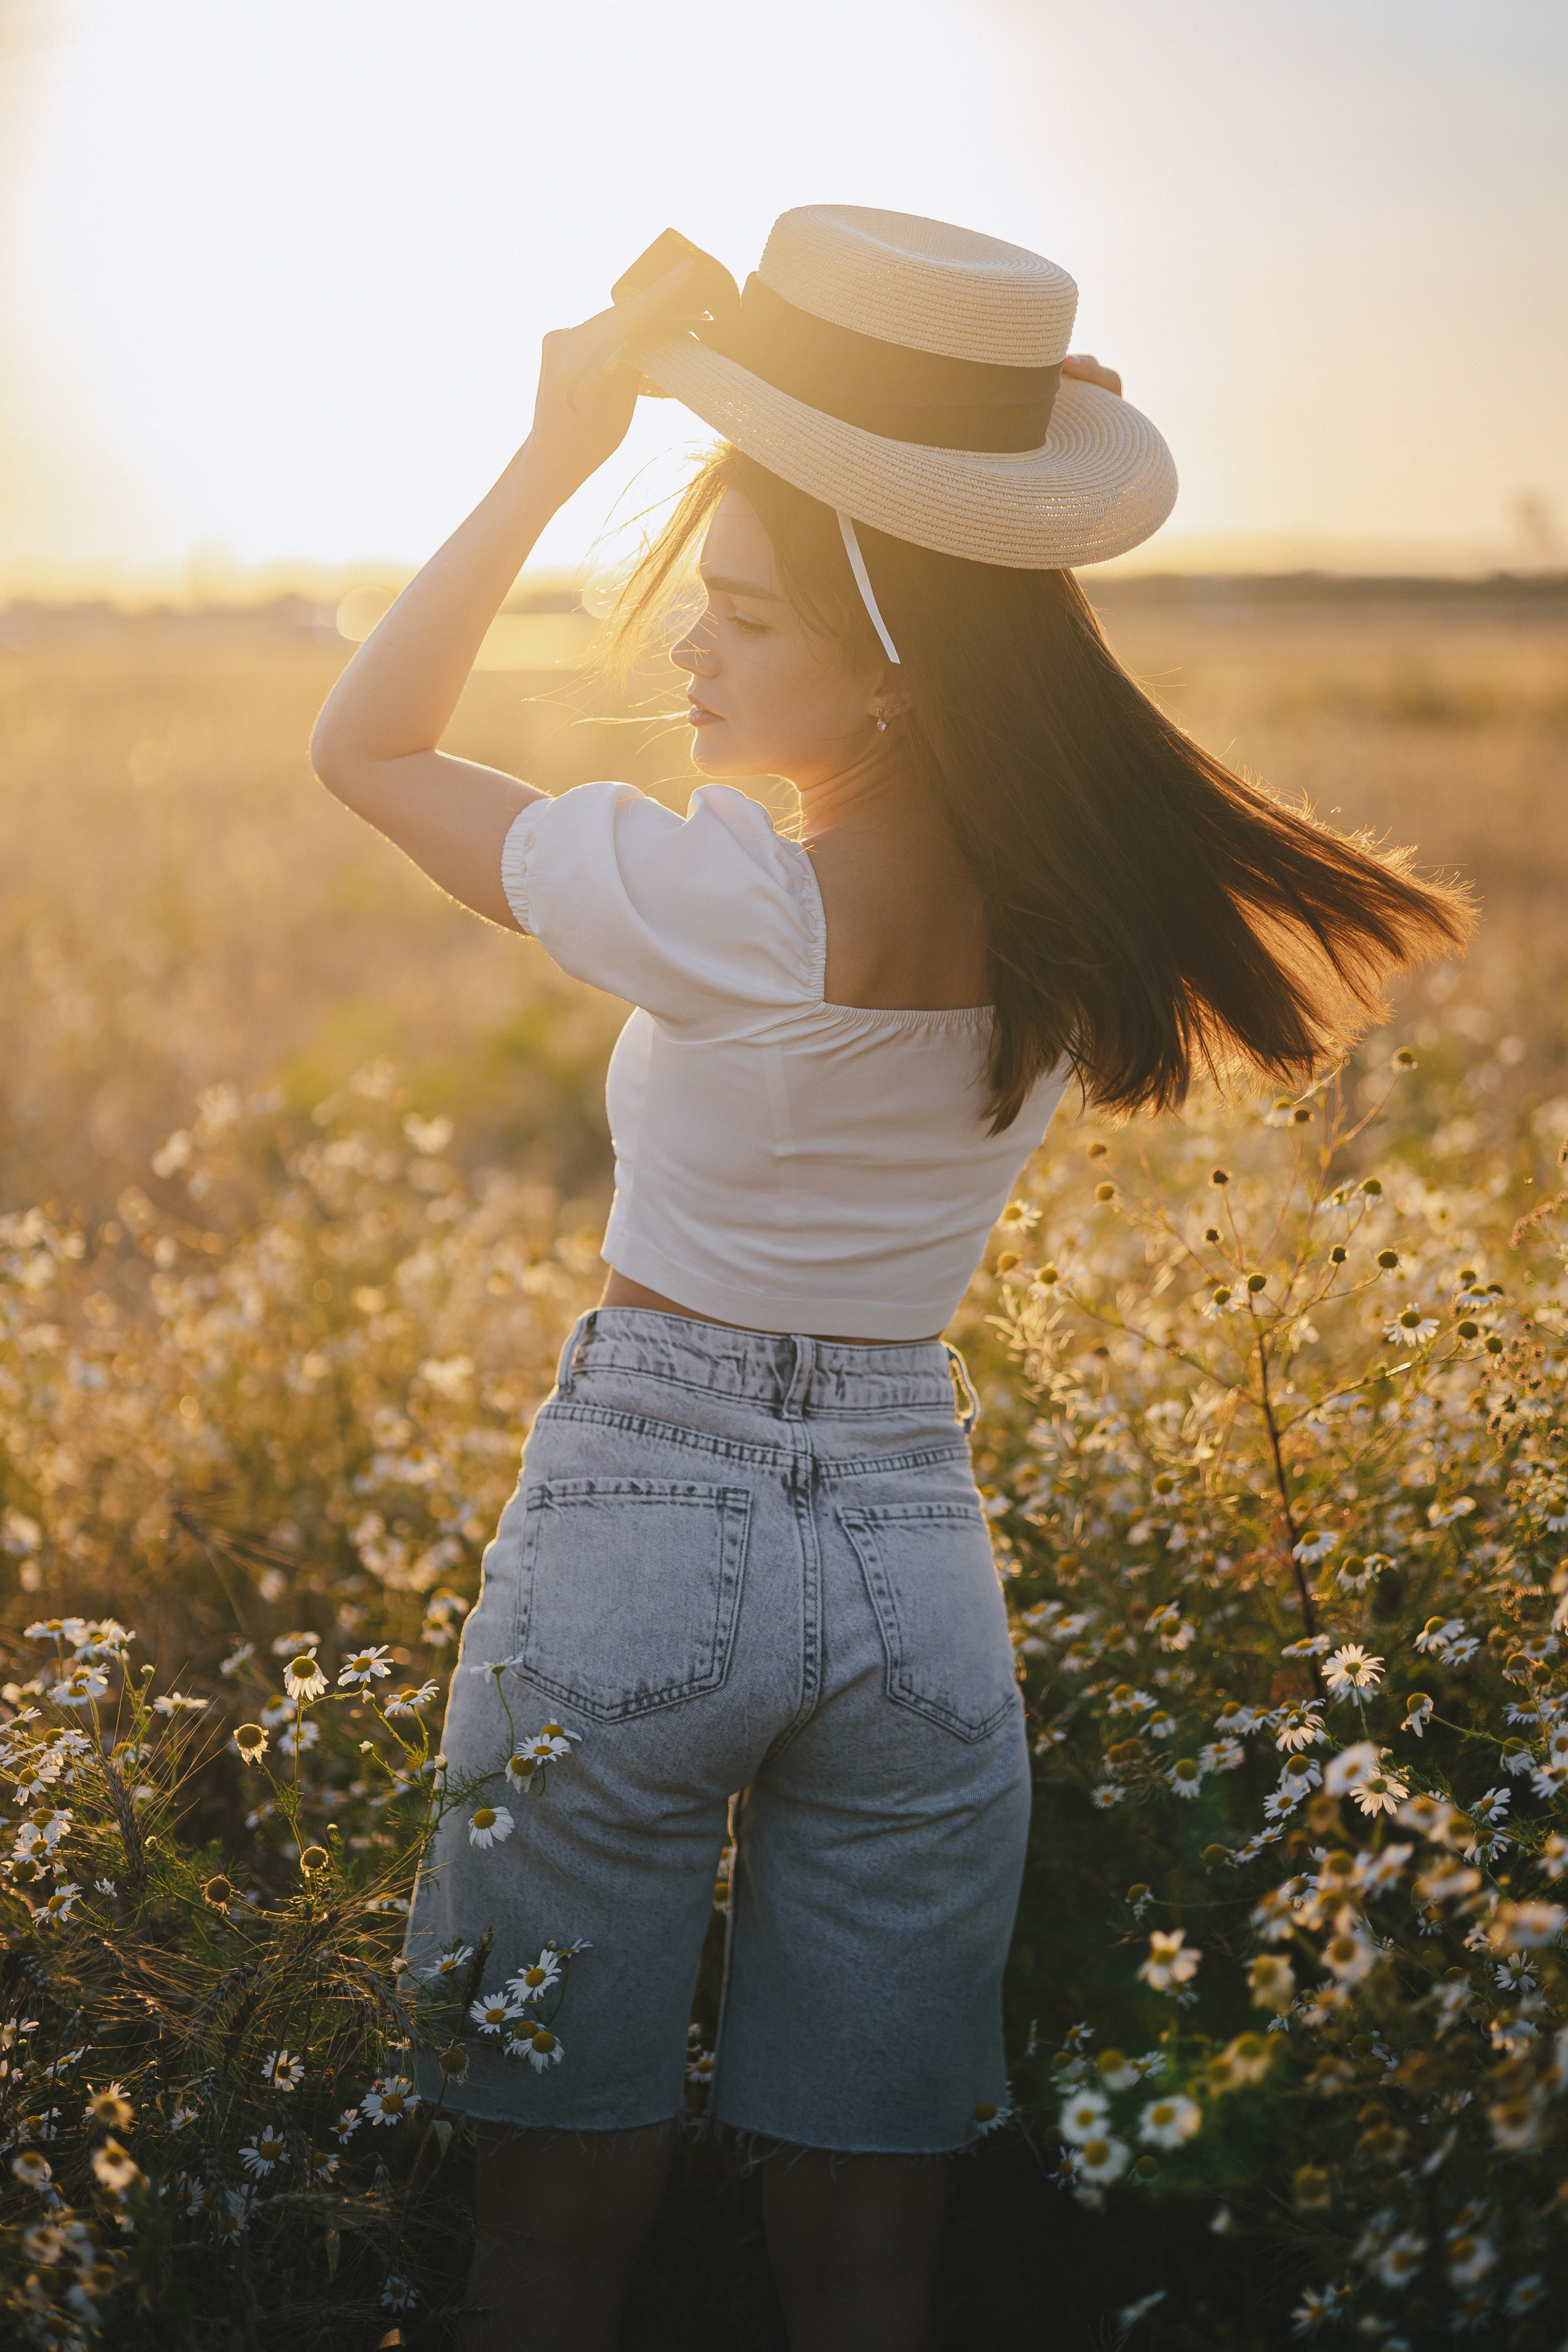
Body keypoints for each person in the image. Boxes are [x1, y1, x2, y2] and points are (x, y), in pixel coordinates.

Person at [310, 208, 1469, 2351]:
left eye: (745, 615)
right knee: (874, 2273)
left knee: (551, 2243)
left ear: (897, 667)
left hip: (642, 1526)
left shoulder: (741, 903)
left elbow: (367, 751)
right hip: (921, 1570)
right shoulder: (1074, 907)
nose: (691, 651)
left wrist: (554, 453)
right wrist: (973, 479)